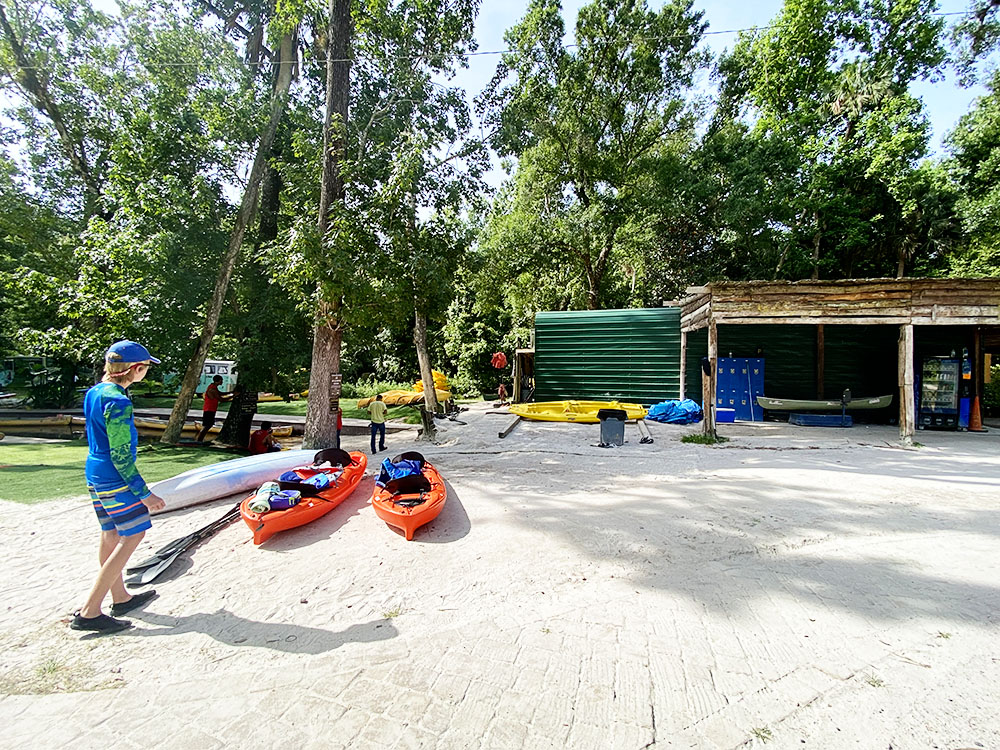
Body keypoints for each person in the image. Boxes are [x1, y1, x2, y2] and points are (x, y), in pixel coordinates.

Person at [73, 340, 166, 634]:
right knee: (134, 533)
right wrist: (145, 494)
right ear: (136, 369)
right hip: (113, 476)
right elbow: (121, 455)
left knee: (110, 533)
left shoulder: (95, 392)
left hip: (94, 471)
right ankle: (90, 612)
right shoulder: (118, 401)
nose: (146, 372)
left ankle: (120, 597)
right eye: (146, 368)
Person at [196, 374, 232, 442]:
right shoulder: (212, 389)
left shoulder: (214, 387)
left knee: (208, 425)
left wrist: (231, 392)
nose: (222, 382)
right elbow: (221, 399)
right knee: (207, 426)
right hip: (209, 409)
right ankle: (199, 440)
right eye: (222, 380)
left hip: (211, 409)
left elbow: (220, 393)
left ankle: (199, 440)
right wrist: (233, 396)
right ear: (219, 381)